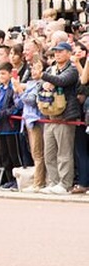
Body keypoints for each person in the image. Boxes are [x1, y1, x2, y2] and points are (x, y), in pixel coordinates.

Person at [39, 42, 80, 194]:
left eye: (61, 51)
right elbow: (40, 85)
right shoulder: (51, 69)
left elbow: (62, 80)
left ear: (69, 53)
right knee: (49, 152)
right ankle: (53, 181)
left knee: (64, 152)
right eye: (55, 52)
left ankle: (65, 183)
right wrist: (44, 84)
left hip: (65, 116)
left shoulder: (72, 69)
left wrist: (44, 77)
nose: (57, 54)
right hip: (49, 114)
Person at [15, 57, 46, 192]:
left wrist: (20, 91)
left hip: (37, 120)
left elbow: (31, 101)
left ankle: (38, 183)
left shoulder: (41, 84)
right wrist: (17, 91)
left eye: (37, 68)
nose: (34, 71)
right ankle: (37, 181)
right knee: (34, 152)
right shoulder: (30, 83)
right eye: (32, 68)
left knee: (38, 152)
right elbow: (20, 103)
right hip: (27, 120)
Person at [0, 62, 22, 190]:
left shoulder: (12, 89)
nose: (1, 76)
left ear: (10, 74)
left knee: (14, 155)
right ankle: (9, 179)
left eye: (3, 73)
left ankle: (18, 180)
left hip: (11, 127)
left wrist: (1, 115)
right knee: (5, 156)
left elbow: (16, 107)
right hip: (1, 128)